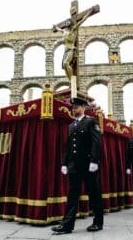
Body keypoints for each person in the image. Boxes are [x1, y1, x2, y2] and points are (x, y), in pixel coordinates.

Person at [51, 97, 103, 234]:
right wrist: (64, 163)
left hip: (88, 164)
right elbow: (68, 146)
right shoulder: (71, 125)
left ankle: (98, 222)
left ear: (84, 108)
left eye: (77, 107)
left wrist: (94, 161)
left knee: (94, 193)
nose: (74, 110)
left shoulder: (91, 121)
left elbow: (96, 143)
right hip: (74, 165)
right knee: (72, 195)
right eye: (73, 108)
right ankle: (67, 225)